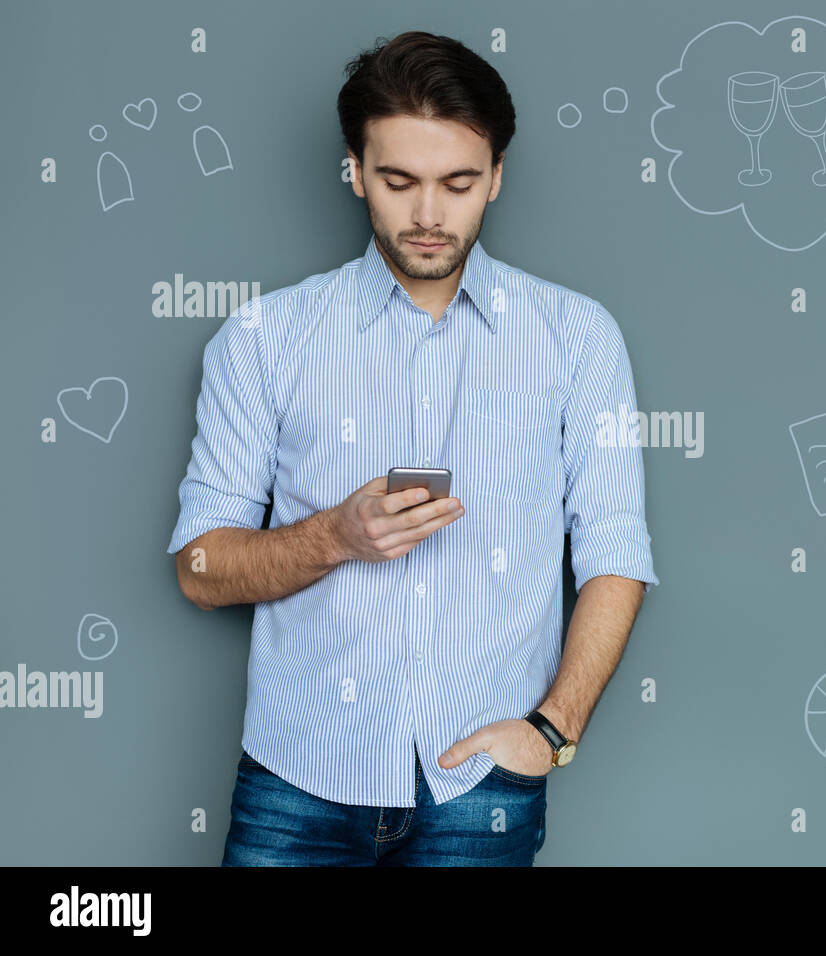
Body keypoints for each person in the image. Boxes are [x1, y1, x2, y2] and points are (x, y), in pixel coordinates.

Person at [165, 31, 658, 866]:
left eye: (459, 183)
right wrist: (336, 537)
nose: (429, 214)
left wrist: (554, 728)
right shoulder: (261, 340)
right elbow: (199, 569)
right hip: (297, 782)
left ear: (497, 177)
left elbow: (615, 550)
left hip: (481, 792)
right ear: (355, 170)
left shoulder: (578, 338)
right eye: (398, 181)